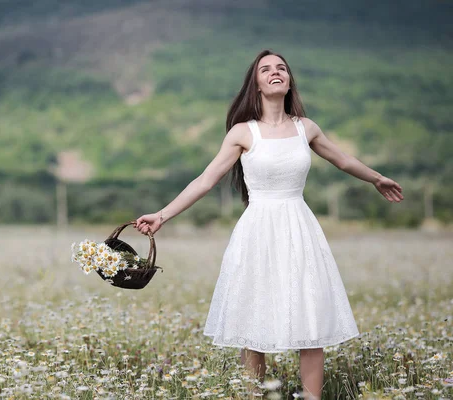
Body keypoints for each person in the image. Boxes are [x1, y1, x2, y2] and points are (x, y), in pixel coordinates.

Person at [134, 49, 404, 399]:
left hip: (299, 227)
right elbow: (205, 181)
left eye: (281, 68)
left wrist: (376, 178)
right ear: (257, 84)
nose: (275, 72)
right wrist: (162, 215)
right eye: (266, 69)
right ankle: (253, 394)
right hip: (257, 230)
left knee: (309, 311)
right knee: (252, 314)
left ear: (289, 81)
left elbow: (343, 159)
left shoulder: (305, 128)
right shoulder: (242, 133)